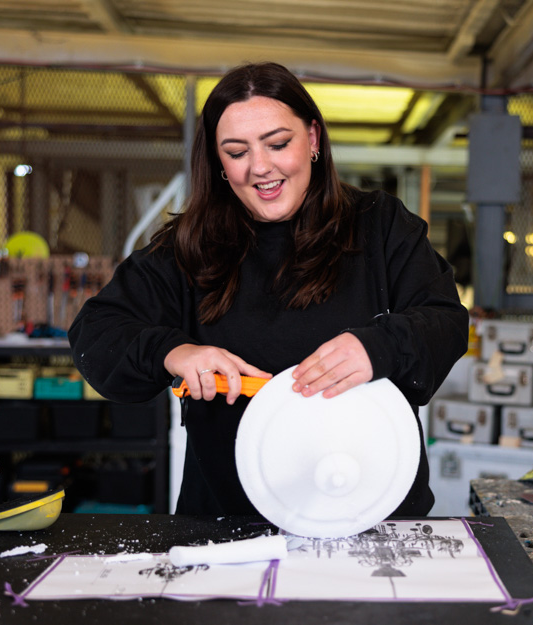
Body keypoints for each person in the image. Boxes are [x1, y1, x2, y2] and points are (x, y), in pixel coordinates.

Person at [69, 62, 469, 519]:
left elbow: (446, 321)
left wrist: (379, 347)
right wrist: (173, 351)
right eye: (237, 152)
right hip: (226, 522)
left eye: (278, 144)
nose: (260, 168)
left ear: (313, 139)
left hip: (370, 516)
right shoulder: (188, 248)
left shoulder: (379, 225)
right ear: (218, 161)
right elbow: (95, 333)